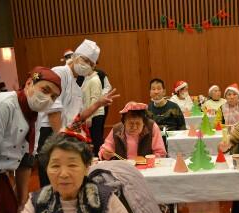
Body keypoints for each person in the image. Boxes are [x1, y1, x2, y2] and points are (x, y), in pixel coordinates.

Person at [3, 132, 144, 213]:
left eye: (72, 165)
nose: (63, 174)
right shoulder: (37, 200)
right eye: (55, 166)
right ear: (46, 169)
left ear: (86, 168)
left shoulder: (105, 198)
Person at [0, 66, 61, 213]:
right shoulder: (3, 104)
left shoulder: (33, 115)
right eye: (45, 90)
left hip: (1, 178)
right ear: (29, 84)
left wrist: (22, 200)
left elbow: (26, 161)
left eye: (53, 97)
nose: (48, 98)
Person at [36, 39, 118, 187]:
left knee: (65, 183)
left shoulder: (76, 86)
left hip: (63, 135)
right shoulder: (59, 72)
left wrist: (99, 103)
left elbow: (78, 118)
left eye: (92, 64)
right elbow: (53, 111)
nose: (89, 66)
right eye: (86, 61)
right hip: (51, 134)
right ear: (76, 57)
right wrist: (60, 140)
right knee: (51, 184)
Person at [99, 101, 166, 160]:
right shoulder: (117, 129)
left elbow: (160, 152)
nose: (134, 127)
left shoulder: (152, 127)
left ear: (144, 122)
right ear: (124, 122)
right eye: (131, 123)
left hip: (148, 168)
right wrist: (105, 154)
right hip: (123, 169)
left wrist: (150, 160)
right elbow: (105, 149)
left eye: (138, 123)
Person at [81, 68, 105, 157]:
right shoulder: (87, 79)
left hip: (95, 114)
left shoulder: (95, 80)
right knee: (93, 140)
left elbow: (94, 99)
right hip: (90, 113)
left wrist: (89, 117)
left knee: (96, 140)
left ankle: (100, 159)